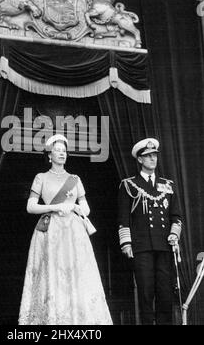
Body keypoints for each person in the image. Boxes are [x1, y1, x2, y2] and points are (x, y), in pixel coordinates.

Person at [19, 134, 112, 325]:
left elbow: (86, 208)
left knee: (77, 274)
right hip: (51, 230)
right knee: (53, 273)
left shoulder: (75, 179)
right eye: (57, 150)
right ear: (49, 155)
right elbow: (30, 207)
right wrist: (54, 207)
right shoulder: (41, 177)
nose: (62, 154)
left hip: (73, 231)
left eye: (64, 151)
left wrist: (77, 208)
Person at [117, 138, 182, 325]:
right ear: (139, 159)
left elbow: (176, 216)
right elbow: (123, 218)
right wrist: (126, 243)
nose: (153, 159)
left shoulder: (167, 185)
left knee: (165, 293)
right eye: (148, 156)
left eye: (154, 155)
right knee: (146, 293)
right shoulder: (129, 185)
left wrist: (174, 234)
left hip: (164, 246)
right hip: (141, 246)